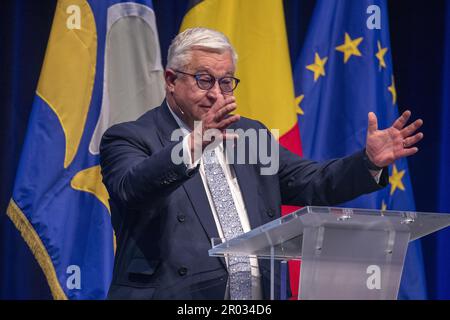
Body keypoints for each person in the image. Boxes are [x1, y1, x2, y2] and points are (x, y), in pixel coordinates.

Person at [99, 27, 423, 300]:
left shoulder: (248, 134)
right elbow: (131, 187)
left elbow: (312, 183)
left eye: (226, 82)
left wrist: (367, 162)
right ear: (171, 80)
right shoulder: (129, 137)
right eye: (204, 80)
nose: (216, 93)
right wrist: (194, 144)